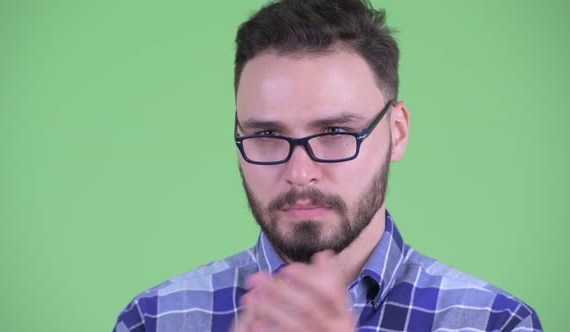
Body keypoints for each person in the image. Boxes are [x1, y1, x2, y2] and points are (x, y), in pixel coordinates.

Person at [114, 0, 542, 331]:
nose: (300, 173)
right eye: (266, 136)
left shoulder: (495, 323)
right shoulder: (153, 321)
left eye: (336, 133)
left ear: (397, 131)